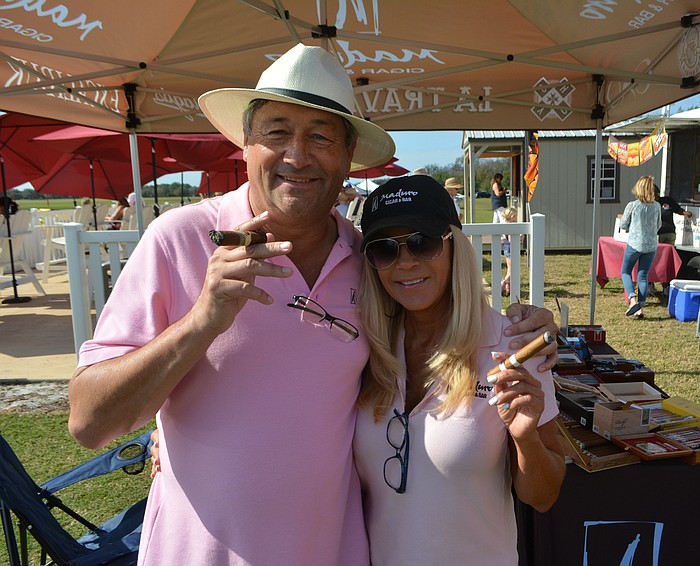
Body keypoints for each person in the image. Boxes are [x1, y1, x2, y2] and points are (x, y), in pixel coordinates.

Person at [67, 43, 557, 565]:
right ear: (246, 144)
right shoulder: (179, 239)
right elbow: (89, 423)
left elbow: (433, 319)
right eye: (277, 131)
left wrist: (530, 321)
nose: (297, 155)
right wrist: (200, 323)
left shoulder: (367, 259)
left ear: (347, 158)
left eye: (321, 136)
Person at [354, 176, 565, 564]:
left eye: (423, 241)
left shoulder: (513, 345)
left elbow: (544, 495)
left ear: (454, 245)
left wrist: (526, 440)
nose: (405, 261)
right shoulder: (365, 350)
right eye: (385, 250)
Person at [619, 175, 661, 319]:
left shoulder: (633, 205)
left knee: (625, 271)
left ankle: (632, 299)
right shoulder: (657, 206)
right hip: (651, 245)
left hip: (635, 244)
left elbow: (623, 224)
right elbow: (659, 225)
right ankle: (640, 308)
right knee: (643, 276)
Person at [500, 206, 518, 297]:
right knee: (512, 270)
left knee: (509, 269)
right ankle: (503, 284)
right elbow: (511, 240)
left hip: (506, 248)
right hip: (511, 248)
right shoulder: (511, 226)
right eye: (514, 217)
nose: (516, 219)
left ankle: (508, 288)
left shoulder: (505, 225)